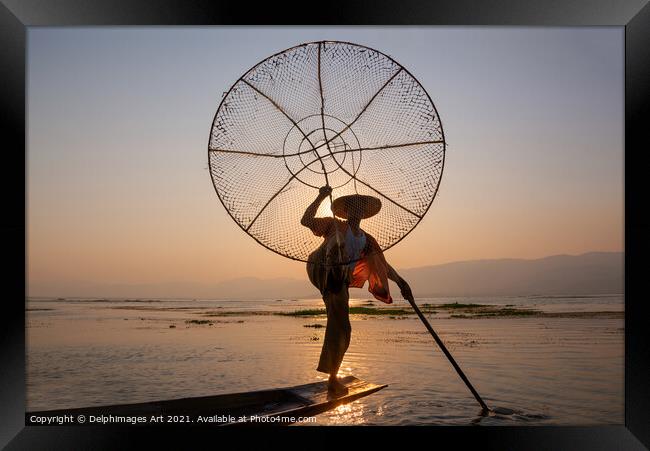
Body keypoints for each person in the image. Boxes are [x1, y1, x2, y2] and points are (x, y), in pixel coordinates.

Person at [301, 185, 413, 396]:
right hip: (321, 267)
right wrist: (320, 197)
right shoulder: (334, 225)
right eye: (353, 208)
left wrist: (401, 282)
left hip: (340, 281)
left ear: (363, 213)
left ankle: (332, 377)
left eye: (360, 209)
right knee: (340, 325)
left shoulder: (366, 240)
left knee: (343, 329)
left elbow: (383, 265)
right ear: (348, 211)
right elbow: (306, 220)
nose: (357, 212)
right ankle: (333, 380)